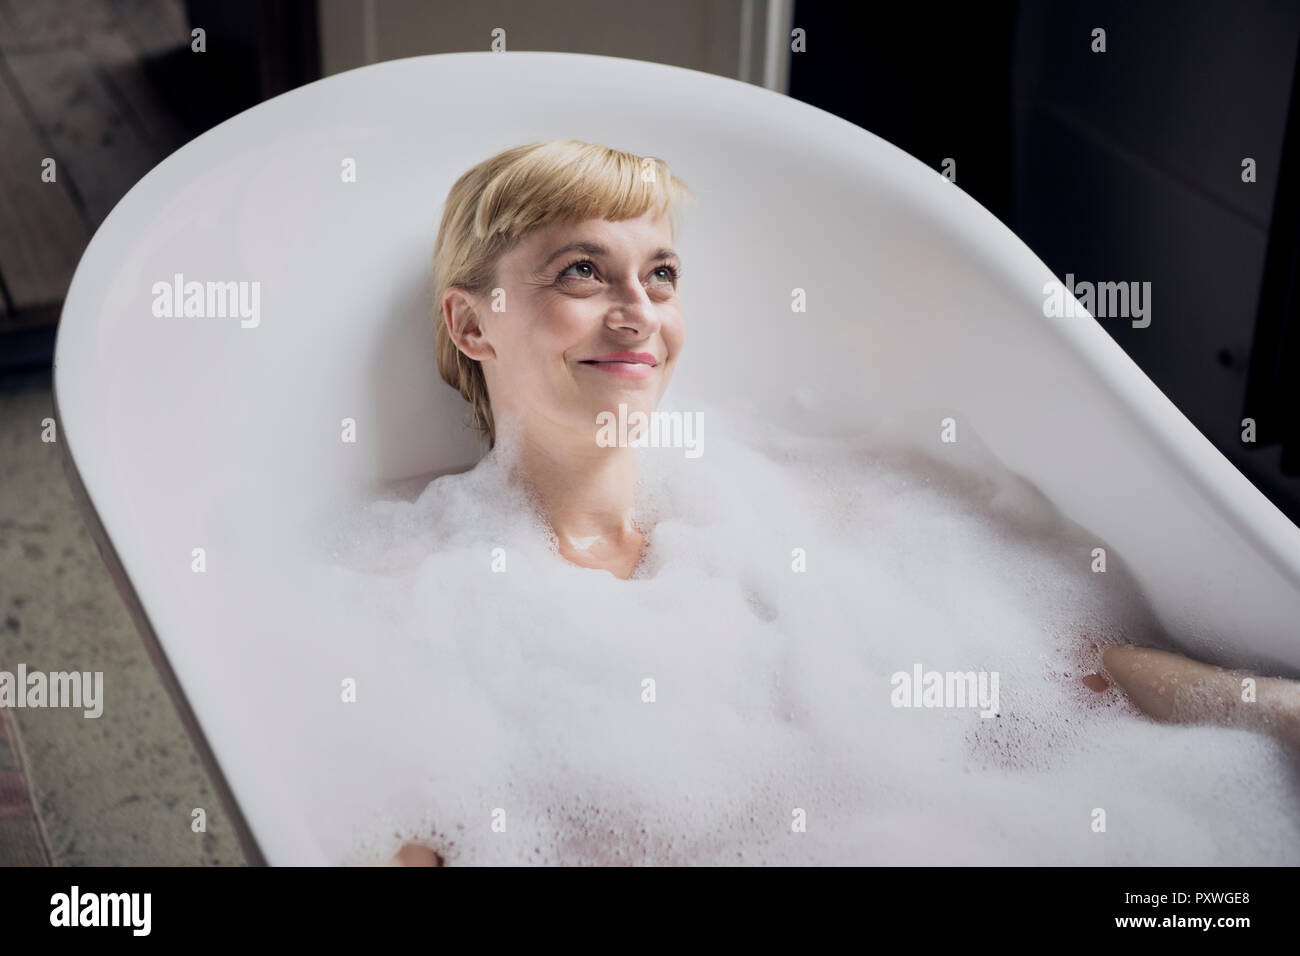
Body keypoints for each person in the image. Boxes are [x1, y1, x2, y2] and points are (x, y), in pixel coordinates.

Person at [388, 139, 1300, 865]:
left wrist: (1270, 707)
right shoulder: (440, 604)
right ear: (473, 323)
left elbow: (1048, 679)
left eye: (661, 273)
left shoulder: (767, 510)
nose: (638, 312)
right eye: (582, 272)